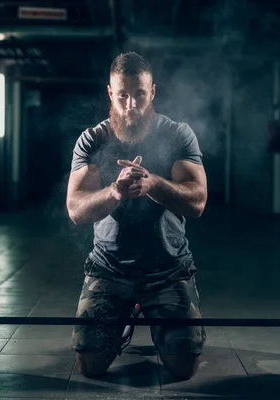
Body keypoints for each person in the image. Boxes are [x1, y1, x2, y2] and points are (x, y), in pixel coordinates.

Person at [65, 52, 208, 379]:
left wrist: (153, 183)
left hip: (168, 269)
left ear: (152, 92)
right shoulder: (93, 140)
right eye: (124, 95)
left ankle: (157, 320)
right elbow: (75, 209)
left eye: (140, 94)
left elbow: (198, 201)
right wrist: (115, 192)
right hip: (110, 267)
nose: (132, 104)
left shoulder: (178, 135)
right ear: (111, 94)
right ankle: (126, 319)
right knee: (89, 365)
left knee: (183, 367)